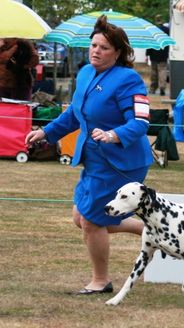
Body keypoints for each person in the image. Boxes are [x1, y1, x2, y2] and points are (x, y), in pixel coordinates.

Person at [25, 15, 153, 294]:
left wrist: (113, 135)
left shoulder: (128, 80)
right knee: (79, 217)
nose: (96, 51)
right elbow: (74, 114)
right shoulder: (84, 73)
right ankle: (152, 231)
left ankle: (100, 280)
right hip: (94, 159)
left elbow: (141, 122)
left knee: (92, 221)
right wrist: (46, 132)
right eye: (94, 45)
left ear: (118, 52)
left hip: (121, 162)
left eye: (104, 47)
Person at [146, 15, 169, 96]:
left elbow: (150, 43)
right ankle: (162, 88)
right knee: (162, 71)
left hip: (154, 54)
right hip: (163, 54)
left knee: (154, 72)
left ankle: (153, 89)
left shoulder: (152, 30)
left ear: (156, 20)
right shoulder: (167, 30)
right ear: (162, 21)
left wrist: (147, 54)